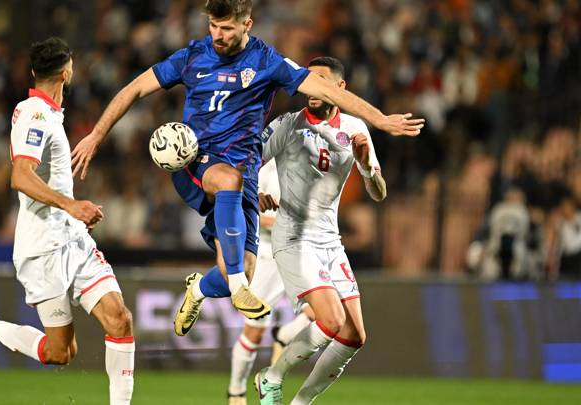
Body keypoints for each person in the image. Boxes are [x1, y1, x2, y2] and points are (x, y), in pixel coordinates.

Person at [71, 0, 423, 336]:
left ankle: (202, 288)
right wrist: (95, 136)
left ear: (247, 25)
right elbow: (134, 89)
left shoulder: (267, 61)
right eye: (213, 26)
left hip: (244, 174)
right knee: (228, 183)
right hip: (197, 162)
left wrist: (379, 119)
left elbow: (327, 91)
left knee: (239, 266)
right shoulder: (192, 56)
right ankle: (239, 287)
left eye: (226, 28)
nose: (218, 35)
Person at [0, 37, 135, 405]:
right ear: (67, 72)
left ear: (35, 72)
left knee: (120, 319)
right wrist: (72, 205)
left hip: (73, 241)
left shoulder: (48, 114)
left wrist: (72, 215)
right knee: (60, 353)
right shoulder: (35, 114)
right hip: (43, 249)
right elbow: (20, 175)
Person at [253, 56, 387, 405]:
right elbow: (245, 164)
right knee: (330, 320)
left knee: (355, 335)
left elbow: (378, 192)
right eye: (306, 79)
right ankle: (271, 377)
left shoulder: (356, 129)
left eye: (319, 80)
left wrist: (367, 168)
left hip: (329, 240)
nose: (309, 87)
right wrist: (254, 193)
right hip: (293, 237)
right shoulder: (286, 125)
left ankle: (301, 402)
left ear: (339, 88)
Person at [227, 158, 314, 405]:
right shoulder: (266, 166)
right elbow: (248, 208)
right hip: (267, 254)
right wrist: (281, 223)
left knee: (323, 312)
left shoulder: (308, 163)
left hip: (297, 253)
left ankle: (285, 335)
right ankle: (236, 392)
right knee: (253, 332)